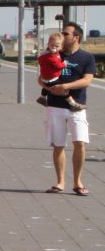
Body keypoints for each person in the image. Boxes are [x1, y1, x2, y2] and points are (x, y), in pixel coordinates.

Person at [40, 22, 96, 197]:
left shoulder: (86, 58)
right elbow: (41, 78)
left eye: (66, 33)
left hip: (77, 106)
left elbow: (87, 80)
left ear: (76, 37)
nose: (62, 36)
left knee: (80, 143)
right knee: (58, 145)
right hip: (55, 106)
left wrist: (66, 86)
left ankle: (78, 182)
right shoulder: (54, 54)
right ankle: (60, 182)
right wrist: (49, 88)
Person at [36, 32, 85, 110]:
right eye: (52, 45)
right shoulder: (52, 56)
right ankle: (73, 104)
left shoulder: (47, 53)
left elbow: (40, 60)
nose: (54, 48)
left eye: (57, 46)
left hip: (45, 78)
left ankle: (42, 97)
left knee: (46, 87)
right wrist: (64, 64)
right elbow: (58, 66)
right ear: (48, 44)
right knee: (64, 91)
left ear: (61, 47)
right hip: (52, 78)